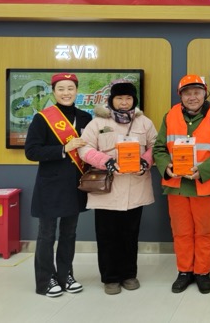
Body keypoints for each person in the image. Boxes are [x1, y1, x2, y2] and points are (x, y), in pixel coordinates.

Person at [153, 74, 210, 294]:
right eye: (187, 93)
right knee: (181, 232)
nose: (192, 97)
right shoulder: (170, 116)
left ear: (204, 94)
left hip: (205, 185)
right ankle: (184, 271)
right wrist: (166, 167)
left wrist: (203, 171)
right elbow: (159, 148)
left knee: (205, 232)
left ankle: (202, 272)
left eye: (197, 92)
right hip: (176, 186)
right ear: (180, 96)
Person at [77, 81, 157, 295]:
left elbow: (156, 146)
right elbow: (85, 149)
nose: (124, 102)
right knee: (107, 236)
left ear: (134, 100)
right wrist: (107, 162)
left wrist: (145, 161)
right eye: (119, 98)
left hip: (135, 188)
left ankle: (129, 275)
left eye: (128, 98)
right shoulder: (97, 122)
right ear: (111, 100)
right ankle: (110, 278)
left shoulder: (144, 122)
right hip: (107, 189)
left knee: (130, 235)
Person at [24, 73, 92, 297]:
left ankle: (65, 275)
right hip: (50, 186)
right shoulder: (42, 118)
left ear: (77, 91)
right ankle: (45, 281)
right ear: (53, 92)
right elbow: (31, 151)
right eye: (61, 89)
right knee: (47, 235)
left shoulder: (85, 117)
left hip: (75, 185)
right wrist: (64, 149)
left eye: (70, 88)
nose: (66, 93)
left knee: (69, 234)